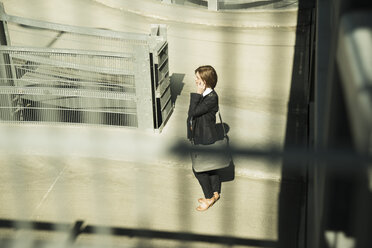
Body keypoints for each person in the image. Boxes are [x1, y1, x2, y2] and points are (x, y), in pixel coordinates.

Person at [187, 65, 221, 211]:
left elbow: (192, 112)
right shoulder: (208, 95)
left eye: (198, 78)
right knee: (211, 166)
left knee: (200, 170)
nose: (195, 80)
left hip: (204, 138)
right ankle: (215, 193)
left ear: (205, 82)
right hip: (204, 136)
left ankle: (208, 199)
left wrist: (198, 93)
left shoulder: (210, 98)